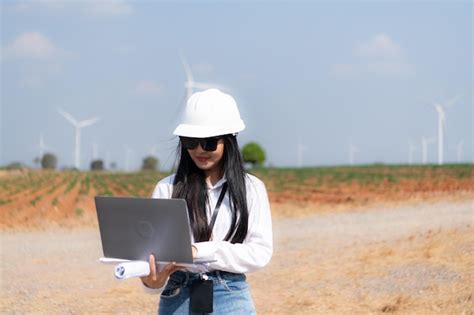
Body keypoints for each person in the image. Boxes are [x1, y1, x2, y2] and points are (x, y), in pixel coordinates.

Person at [140, 88, 273, 314]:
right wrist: (151, 282)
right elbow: (156, 258)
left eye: (209, 142)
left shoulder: (251, 188)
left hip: (230, 294)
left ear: (230, 140)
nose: (200, 150)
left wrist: (199, 251)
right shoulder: (166, 188)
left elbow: (259, 253)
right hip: (176, 294)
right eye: (191, 141)